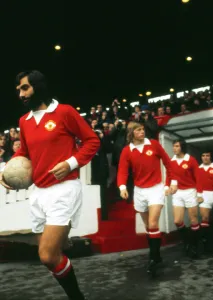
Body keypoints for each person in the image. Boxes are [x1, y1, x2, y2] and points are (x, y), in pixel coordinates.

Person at [0, 70, 100, 300]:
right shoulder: (23, 121)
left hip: (64, 188)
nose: (21, 94)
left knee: (47, 255)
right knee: (50, 255)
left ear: (38, 86)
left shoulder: (64, 112)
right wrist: (8, 171)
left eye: (25, 88)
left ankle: (77, 297)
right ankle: (66, 244)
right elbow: (24, 152)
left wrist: (71, 162)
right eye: (18, 91)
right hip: (38, 192)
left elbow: (92, 140)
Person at [117, 121, 177, 274]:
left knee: (153, 222)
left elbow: (168, 163)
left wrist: (171, 182)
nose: (142, 132)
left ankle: (153, 257)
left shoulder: (154, 145)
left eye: (143, 129)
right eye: (138, 130)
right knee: (148, 227)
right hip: (139, 191)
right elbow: (122, 171)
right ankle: (156, 257)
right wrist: (122, 187)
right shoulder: (126, 151)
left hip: (156, 188)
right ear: (131, 134)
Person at [165, 139, 200, 258]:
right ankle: (187, 242)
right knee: (177, 221)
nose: (174, 148)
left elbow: (198, 177)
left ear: (182, 147)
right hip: (178, 193)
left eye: (176, 146)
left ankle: (195, 246)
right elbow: (169, 176)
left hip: (190, 191)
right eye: (173, 146)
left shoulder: (191, 160)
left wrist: (199, 194)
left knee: (193, 220)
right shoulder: (171, 161)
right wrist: (167, 187)